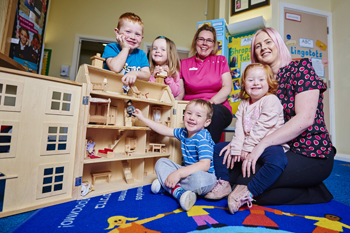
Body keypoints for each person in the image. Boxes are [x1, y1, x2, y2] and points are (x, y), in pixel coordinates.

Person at [209, 27, 335, 209]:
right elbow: (251, 121)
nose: (263, 48)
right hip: (279, 150)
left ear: (278, 44)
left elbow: (305, 119)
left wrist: (260, 145)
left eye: (268, 42)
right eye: (258, 46)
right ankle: (296, 181)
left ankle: (316, 190)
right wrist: (239, 144)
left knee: (255, 186)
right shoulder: (263, 81)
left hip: (310, 152)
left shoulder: (301, 68)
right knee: (237, 170)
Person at [204, 63, 289, 214]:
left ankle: (249, 191)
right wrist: (237, 148)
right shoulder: (244, 104)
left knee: (278, 161)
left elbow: (262, 128)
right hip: (247, 144)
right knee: (218, 149)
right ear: (244, 84)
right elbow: (240, 130)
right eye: (251, 80)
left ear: (269, 83)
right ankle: (224, 182)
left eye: (261, 79)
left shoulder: (271, 100)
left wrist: (247, 148)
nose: (256, 83)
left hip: (268, 144)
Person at [132, 99, 216, 211]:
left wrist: (179, 173)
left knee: (199, 180)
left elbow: (205, 165)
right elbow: (164, 129)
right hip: (186, 172)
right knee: (161, 162)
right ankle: (179, 192)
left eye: (198, 115)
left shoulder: (203, 137)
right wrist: (143, 118)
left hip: (205, 175)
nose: (192, 117)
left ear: (207, 122)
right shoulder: (183, 132)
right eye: (189, 113)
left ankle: (167, 186)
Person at [178, 24, 232, 143]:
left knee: (214, 112)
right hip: (192, 109)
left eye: (209, 40)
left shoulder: (221, 60)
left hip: (217, 108)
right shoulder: (184, 64)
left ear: (213, 45)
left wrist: (207, 106)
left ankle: (207, 156)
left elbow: (227, 87)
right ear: (195, 42)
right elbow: (180, 94)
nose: (204, 43)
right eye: (201, 39)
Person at [102, 12, 150, 86]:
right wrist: (125, 48)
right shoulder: (111, 48)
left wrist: (135, 73)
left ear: (141, 38)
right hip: (110, 90)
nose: (133, 37)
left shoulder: (141, 54)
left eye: (137, 34)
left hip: (130, 94)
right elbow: (115, 68)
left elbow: (147, 75)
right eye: (128, 31)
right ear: (117, 32)